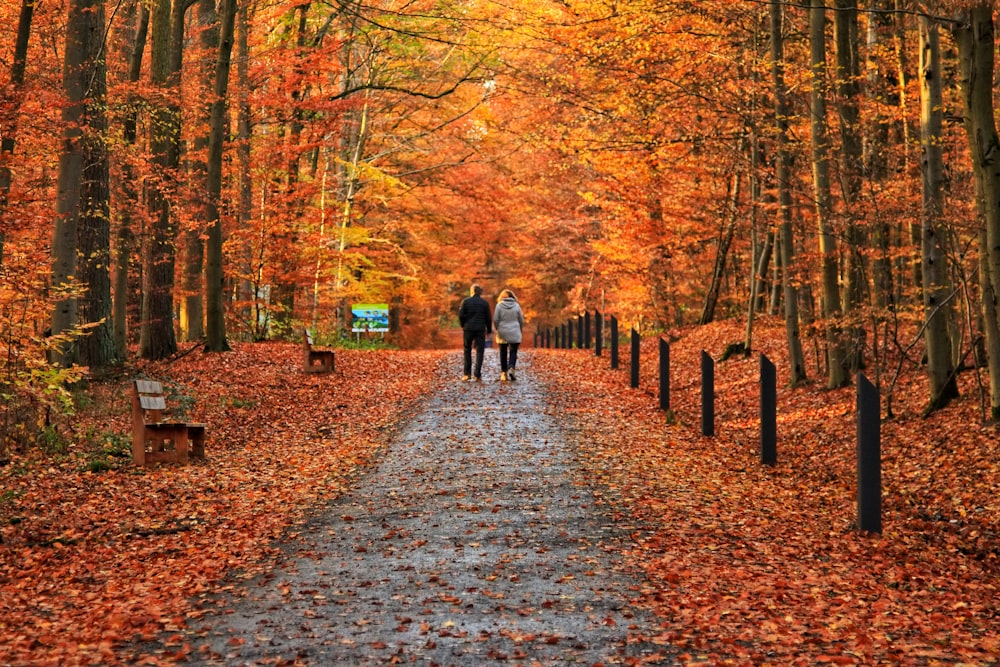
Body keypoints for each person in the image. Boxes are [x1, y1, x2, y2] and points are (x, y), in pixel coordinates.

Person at [458, 284, 492, 381]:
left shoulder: (465, 302)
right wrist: (489, 330)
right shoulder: (484, 303)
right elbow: (488, 318)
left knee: (467, 350)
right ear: (480, 292)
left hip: (468, 328)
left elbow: (461, 315)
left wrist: (463, 325)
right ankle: (477, 374)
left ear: (472, 291)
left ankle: (467, 373)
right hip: (480, 329)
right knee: (480, 351)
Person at [493, 288, 524, 382]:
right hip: (514, 330)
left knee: (503, 352)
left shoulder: (499, 306)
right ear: (512, 296)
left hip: (502, 330)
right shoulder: (516, 306)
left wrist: (497, 328)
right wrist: (520, 329)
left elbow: (495, 319)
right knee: (513, 351)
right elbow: (521, 320)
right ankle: (511, 368)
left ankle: (503, 373)